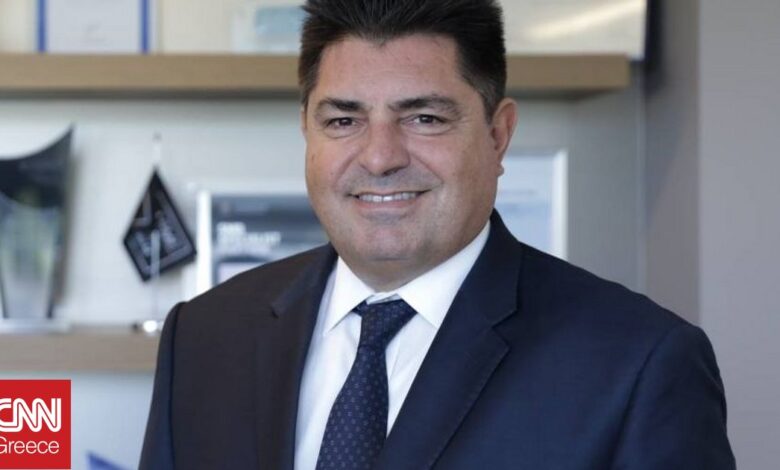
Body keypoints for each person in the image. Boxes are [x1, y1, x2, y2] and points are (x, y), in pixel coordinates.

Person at [140, 0, 735, 469]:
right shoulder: (204, 336)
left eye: (424, 118)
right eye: (343, 120)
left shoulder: (639, 365)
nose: (379, 157)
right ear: (307, 132)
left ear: (498, 135)